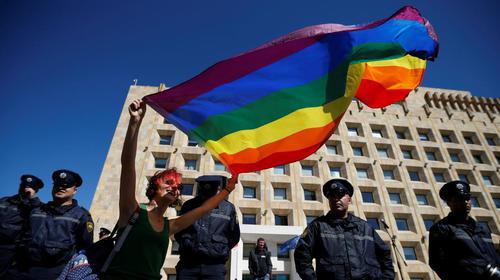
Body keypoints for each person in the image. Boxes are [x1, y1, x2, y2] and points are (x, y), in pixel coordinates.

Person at [101, 99, 238, 280]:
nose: (174, 187)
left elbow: (205, 209)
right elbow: (127, 165)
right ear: (154, 186)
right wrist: (135, 123)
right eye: (168, 182)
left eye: (178, 186)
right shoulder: (132, 211)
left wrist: (227, 189)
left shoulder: (170, 226)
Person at [294, 178, 394, 280]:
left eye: (340, 195)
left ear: (349, 199)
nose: (336, 199)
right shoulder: (317, 226)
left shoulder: (365, 227)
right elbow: (302, 256)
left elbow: (384, 255)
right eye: (332, 196)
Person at [7, 169, 94, 280]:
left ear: (74, 190)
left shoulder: (82, 216)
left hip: (54, 273)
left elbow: (85, 248)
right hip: (19, 271)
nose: (61, 188)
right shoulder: (35, 211)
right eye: (58, 184)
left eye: (66, 186)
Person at [429, 180, 500, 280]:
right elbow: (436, 262)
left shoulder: (482, 229)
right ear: (449, 203)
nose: (465, 202)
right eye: (459, 199)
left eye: (467, 198)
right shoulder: (441, 228)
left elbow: (493, 256)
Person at [175, 175, 240, 280]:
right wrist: (188, 244)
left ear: (217, 188)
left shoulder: (228, 208)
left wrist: (218, 249)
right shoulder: (188, 205)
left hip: (215, 266)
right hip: (188, 265)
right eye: (203, 187)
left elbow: (234, 236)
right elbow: (178, 231)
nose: (206, 191)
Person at [0, 175, 44, 278]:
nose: (26, 189)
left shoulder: (39, 207)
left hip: (23, 253)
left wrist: (32, 199)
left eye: (30, 187)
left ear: (36, 190)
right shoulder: (4, 201)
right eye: (24, 186)